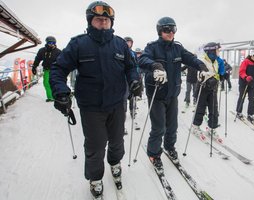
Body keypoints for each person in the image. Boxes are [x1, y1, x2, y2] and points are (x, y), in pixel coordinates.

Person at [49, 1, 141, 199]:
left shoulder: (120, 44)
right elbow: (58, 69)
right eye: (99, 19)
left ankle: (115, 164)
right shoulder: (79, 44)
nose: (103, 23)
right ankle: (95, 178)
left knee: (117, 141)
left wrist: (134, 80)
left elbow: (130, 67)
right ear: (91, 21)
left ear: (111, 22)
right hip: (92, 107)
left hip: (117, 103)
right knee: (96, 146)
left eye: (106, 20)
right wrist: (61, 91)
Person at [138, 16, 209, 169]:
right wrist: (155, 65)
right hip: (157, 94)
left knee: (172, 126)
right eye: (166, 30)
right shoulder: (152, 47)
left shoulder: (177, 48)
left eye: (173, 29)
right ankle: (154, 153)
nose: (170, 33)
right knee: (159, 127)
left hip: (172, 94)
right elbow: (142, 60)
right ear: (160, 31)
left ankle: (169, 147)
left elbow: (190, 58)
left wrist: (201, 65)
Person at [192, 42, 224, 139]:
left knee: (214, 109)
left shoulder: (215, 61)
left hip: (213, 88)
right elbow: (199, 75)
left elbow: (216, 74)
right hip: (203, 88)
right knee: (201, 109)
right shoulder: (203, 61)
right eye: (217, 50)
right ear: (212, 51)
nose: (219, 52)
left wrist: (221, 76)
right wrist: (209, 79)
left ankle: (212, 128)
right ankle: (196, 126)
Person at [236, 49, 254, 124]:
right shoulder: (246, 61)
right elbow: (241, 72)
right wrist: (246, 77)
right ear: (253, 55)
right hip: (244, 83)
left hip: (252, 84)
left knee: (252, 99)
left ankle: (250, 114)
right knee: (242, 97)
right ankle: (239, 112)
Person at [32, 36, 61, 102]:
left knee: (55, 83)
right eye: (50, 42)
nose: (52, 44)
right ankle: (50, 97)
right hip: (47, 70)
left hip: (55, 70)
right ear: (47, 43)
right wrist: (34, 66)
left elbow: (62, 61)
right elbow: (38, 59)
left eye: (53, 43)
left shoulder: (58, 52)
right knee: (46, 83)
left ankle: (58, 96)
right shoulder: (42, 51)